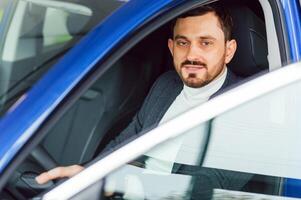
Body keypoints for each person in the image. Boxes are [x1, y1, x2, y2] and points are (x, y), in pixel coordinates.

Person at [36, 4, 252, 195]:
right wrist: (90, 173)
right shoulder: (166, 84)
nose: (192, 55)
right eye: (183, 42)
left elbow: (201, 188)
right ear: (171, 47)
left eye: (206, 43)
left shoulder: (247, 104)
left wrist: (116, 182)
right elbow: (125, 141)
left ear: (229, 51)